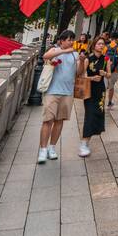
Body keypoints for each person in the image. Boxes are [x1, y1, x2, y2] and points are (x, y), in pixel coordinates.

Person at [38, 29, 79, 164]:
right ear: (62, 41)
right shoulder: (55, 50)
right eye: (69, 40)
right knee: (48, 120)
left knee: (59, 121)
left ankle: (52, 147)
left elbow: (78, 72)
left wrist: (82, 61)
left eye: (73, 40)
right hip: (52, 91)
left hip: (67, 92)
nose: (71, 42)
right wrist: (63, 51)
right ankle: (43, 150)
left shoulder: (75, 55)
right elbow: (45, 56)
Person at [79, 36, 111, 157]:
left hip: (100, 91)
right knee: (90, 115)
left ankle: (86, 141)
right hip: (89, 90)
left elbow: (108, 75)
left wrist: (105, 74)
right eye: (99, 44)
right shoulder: (88, 59)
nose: (101, 46)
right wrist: (92, 78)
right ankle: (84, 143)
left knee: (97, 114)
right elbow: (81, 76)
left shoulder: (106, 59)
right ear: (94, 46)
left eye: (103, 44)